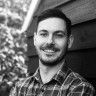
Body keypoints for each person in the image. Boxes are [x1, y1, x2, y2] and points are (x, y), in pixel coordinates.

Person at [10, 8, 95, 96]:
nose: (50, 41)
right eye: (43, 34)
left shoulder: (80, 88)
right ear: (35, 39)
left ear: (69, 41)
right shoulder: (20, 87)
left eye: (58, 35)